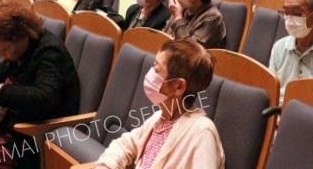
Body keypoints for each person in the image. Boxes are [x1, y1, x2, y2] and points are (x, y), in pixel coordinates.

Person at [0, 1, 80, 169]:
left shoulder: (49, 52)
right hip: (10, 125)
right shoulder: (20, 48)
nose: (1, 56)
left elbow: (44, 97)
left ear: (20, 36)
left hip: (32, 138)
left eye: (2, 49)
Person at [93, 39, 224, 169]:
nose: (150, 74)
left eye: (156, 70)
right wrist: (106, 165)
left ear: (178, 86)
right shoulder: (160, 117)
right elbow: (125, 145)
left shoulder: (203, 133)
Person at [163, 0, 227, 49]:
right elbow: (165, 36)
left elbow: (189, 50)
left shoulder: (212, 17)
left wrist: (178, 17)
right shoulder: (184, 8)